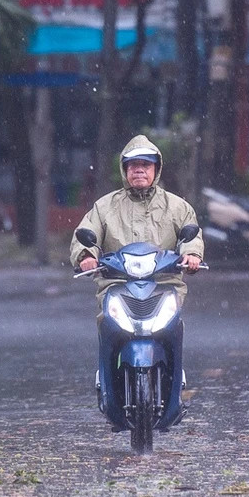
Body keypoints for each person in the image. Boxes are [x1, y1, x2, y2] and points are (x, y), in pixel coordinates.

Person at [70, 135, 206, 394]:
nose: (139, 170)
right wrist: (85, 256)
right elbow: (86, 232)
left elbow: (192, 235)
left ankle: (176, 381)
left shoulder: (177, 206)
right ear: (125, 170)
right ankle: (107, 381)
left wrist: (192, 255)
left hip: (164, 285)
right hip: (117, 284)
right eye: (133, 165)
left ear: (156, 168)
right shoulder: (105, 206)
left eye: (146, 164)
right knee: (108, 328)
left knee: (173, 329)